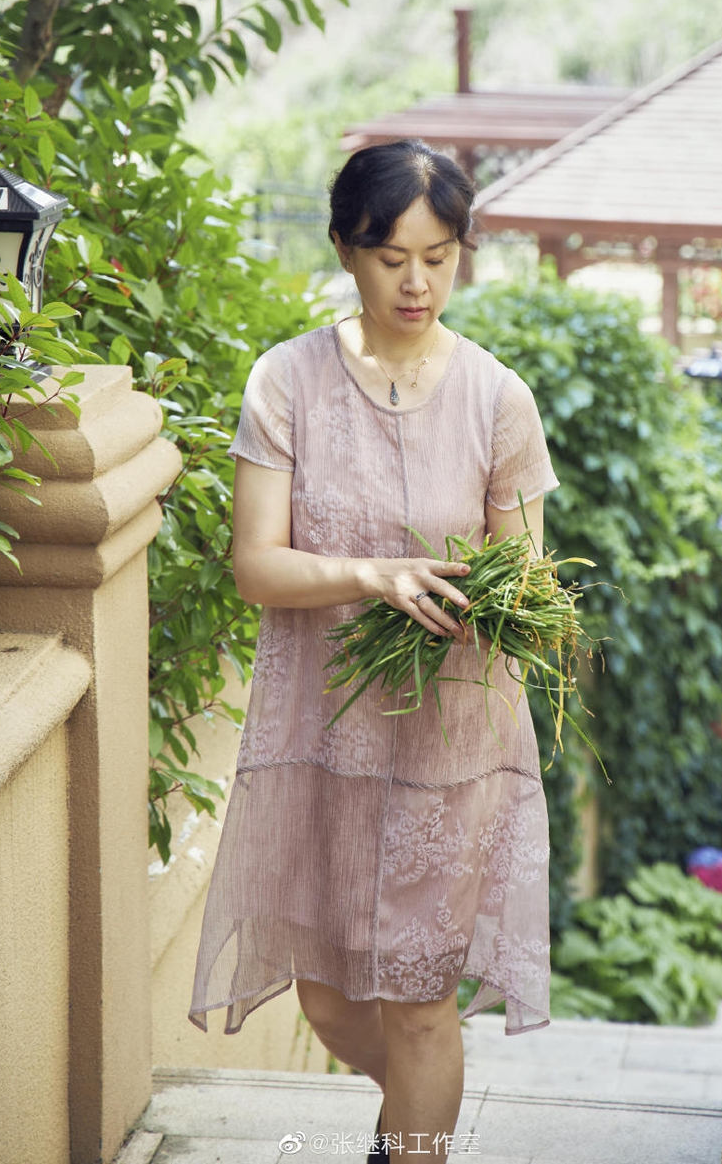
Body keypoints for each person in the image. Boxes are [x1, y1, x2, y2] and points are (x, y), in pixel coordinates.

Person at [189, 139, 559, 1162]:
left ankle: (409, 1150)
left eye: (439, 256)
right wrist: (372, 575)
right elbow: (256, 567)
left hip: (450, 742)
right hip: (319, 733)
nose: (417, 281)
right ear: (346, 249)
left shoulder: (497, 398)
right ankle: (416, 1116)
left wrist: (505, 601)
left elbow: (521, 571)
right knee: (329, 995)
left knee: (418, 1000)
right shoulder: (286, 382)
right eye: (392, 256)